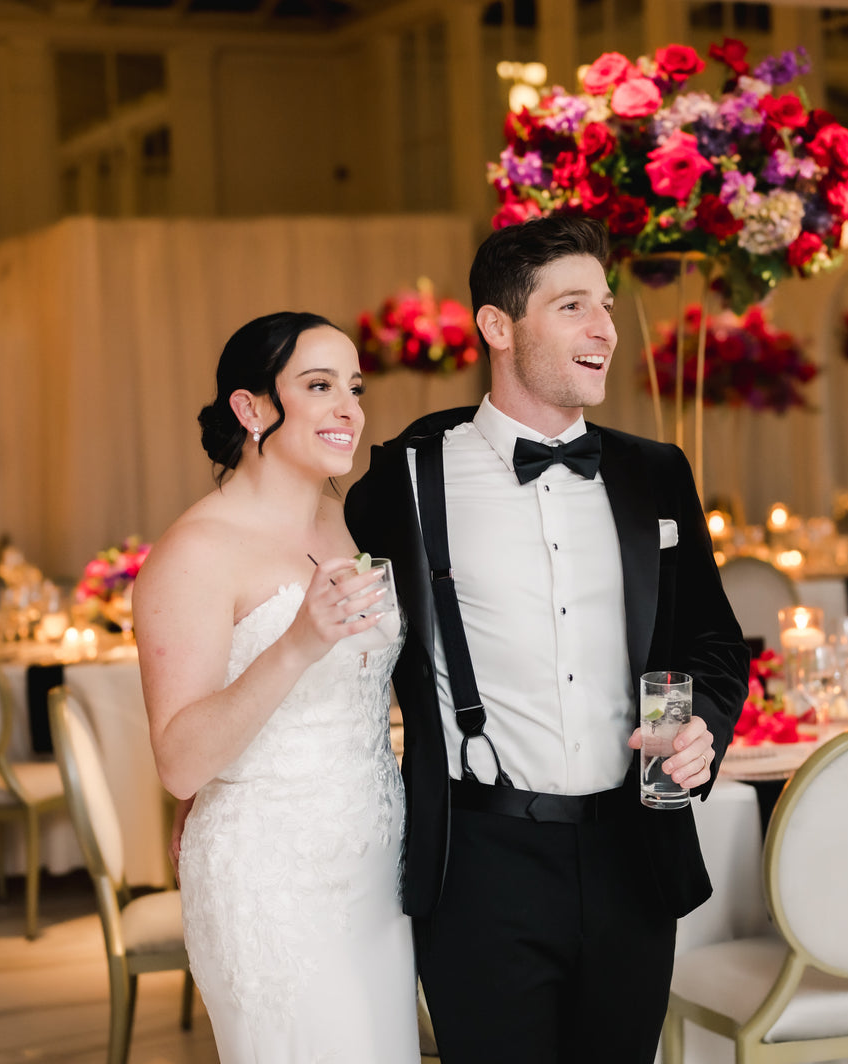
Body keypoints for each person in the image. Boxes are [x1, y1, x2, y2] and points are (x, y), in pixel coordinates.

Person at [344, 215, 751, 1063]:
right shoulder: (405, 480)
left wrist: (701, 727)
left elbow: (712, 640)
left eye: (604, 305)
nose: (605, 329)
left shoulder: (657, 473)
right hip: (478, 858)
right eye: (573, 306)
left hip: (633, 849)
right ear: (498, 326)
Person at [138, 311, 418, 1061]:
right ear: (252, 407)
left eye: (354, 388)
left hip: (373, 858)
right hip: (270, 876)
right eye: (319, 385)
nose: (348, 409)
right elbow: (180, 763)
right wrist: (296, 644)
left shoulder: (348, 521)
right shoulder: (195, 552)